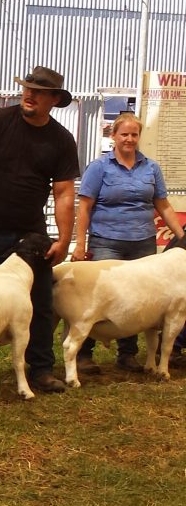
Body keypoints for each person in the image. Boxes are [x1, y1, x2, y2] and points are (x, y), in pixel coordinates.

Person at [0, 65, 80, 394]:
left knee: (39, 300)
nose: (29, 94)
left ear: (53, 99)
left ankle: (40, 370)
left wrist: (64, 239)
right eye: (27, 88)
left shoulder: (61, 140)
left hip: (31, 236)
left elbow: (64, 192)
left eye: (38, 91)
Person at [71, 112, 185, 373]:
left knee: (139, 300)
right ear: (114, 136)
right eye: (124, 134)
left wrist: (182, 238)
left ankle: (127, 354)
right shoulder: (99, 167)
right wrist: (79, 244)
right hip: (106, 242)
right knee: (96, 298)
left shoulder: (151, 168)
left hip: (142, 242)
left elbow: (163, 206)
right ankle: (84, 354)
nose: (130, 139)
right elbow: (85, 207)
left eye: (134, 134)